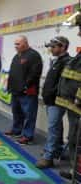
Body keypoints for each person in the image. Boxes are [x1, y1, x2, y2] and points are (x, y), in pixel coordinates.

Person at [35, 36, 71, 168]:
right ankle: (57, 149)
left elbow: (62, 84)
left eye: (54, 46)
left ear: (63, 47)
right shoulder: (56, 61)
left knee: (52, 128)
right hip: (50, 100)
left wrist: (52, 95)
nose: (51, 49)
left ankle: (48, 157)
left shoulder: (67, 62)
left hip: (57, 101)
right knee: (57, 126)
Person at [54, 14, 81, 180]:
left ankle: (76, 172)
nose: (78, 34)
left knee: (75, 140)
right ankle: (75, 170)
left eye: (79, 29)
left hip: (78, 107)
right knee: (73, 139)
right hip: (72, 106)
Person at [5, 35, 43, 145]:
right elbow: (12, 73)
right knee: (16, 112)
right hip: (15, 90)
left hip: (28, 92)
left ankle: (28, 136)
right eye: (15, 44)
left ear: (25, 43)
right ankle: (16, 131)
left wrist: (26, 86)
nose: (15, 46)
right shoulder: (17, 56)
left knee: (29, 114)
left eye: (18, 44)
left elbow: (35, 73)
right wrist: (9, 87)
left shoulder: (33, 55)